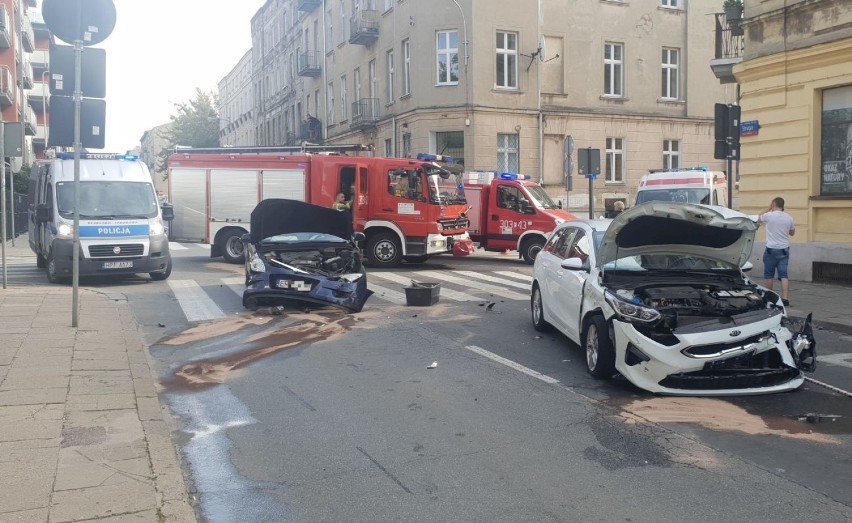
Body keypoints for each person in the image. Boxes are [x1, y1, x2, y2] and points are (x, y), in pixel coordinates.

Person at [759, 196, 795, 306]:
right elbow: (792, 233)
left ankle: (769, 297)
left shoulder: (769, 216)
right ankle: (785, 298)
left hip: (771, 249)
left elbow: (758, 218)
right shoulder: (789, 217)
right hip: (784, 250)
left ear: (773, 204)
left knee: (769, 275)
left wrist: (767, 208)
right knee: (784, 275)